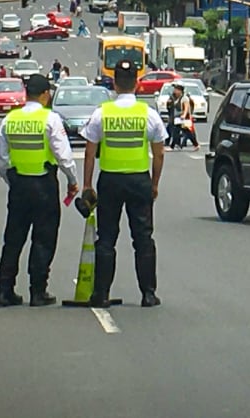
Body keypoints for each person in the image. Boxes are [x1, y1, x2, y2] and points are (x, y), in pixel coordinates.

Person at [80, 60, 168, 308]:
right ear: (138, 84)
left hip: (110, 180)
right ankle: (148, 294)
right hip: (139, 179)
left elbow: (89, 152)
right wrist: (154, 183)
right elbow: (159, 153)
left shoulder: (102, 113)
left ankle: (102, 293)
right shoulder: (148, 114)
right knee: (143, 237)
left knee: (106, 238)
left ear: (115, 84)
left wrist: (87, 184)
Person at [0, 74, 79, 307]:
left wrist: (12, 182)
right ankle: (37, 291)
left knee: (13, 238)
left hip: (19, 184)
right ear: (44, 95)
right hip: (43, 184)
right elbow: (64, 156)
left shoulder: (10, 119)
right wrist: (72, 180)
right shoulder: (50, 119)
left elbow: (2, 160)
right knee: (43, 238)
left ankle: (4, 290)